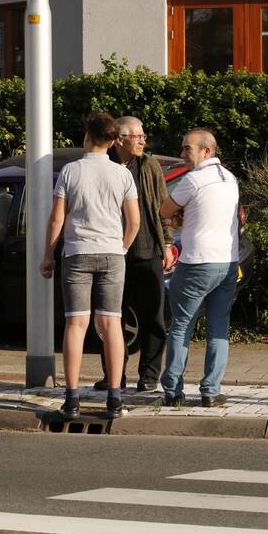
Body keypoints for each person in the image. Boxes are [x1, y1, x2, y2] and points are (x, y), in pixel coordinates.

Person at [40, 113, 140, 420]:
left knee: (76, 324)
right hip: (112, 254)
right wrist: (122, 246)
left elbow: (57, 218)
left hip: (77, 254)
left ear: (87, 137)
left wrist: (48, 254)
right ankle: (114, 398)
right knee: (112, 325)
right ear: (112, 141)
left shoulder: (70, 171)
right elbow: (134, 220)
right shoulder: (122, 174)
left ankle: (71, 399)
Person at [159, 129, 240, 407]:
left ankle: (172, 389)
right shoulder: (230, 178)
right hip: (228, 261)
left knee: (181, 325)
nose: (182, 154)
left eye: (187, 149)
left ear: (207, 151)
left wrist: (179, 217)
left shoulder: (192, 180)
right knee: (218, 327)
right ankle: (211, 391)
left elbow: (164, 210)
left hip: (196, 262)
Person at [95, 116, 174, 392]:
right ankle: (114, 376)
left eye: (143, 136)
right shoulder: (105, 165)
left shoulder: (149, 166)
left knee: (154, 317)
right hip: (112, 253)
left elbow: (160, 205)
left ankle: (149, 376)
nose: (142, 140)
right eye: (137, 136)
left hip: (147, 250)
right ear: (119, 139)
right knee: (111, 317)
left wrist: (166, 242)